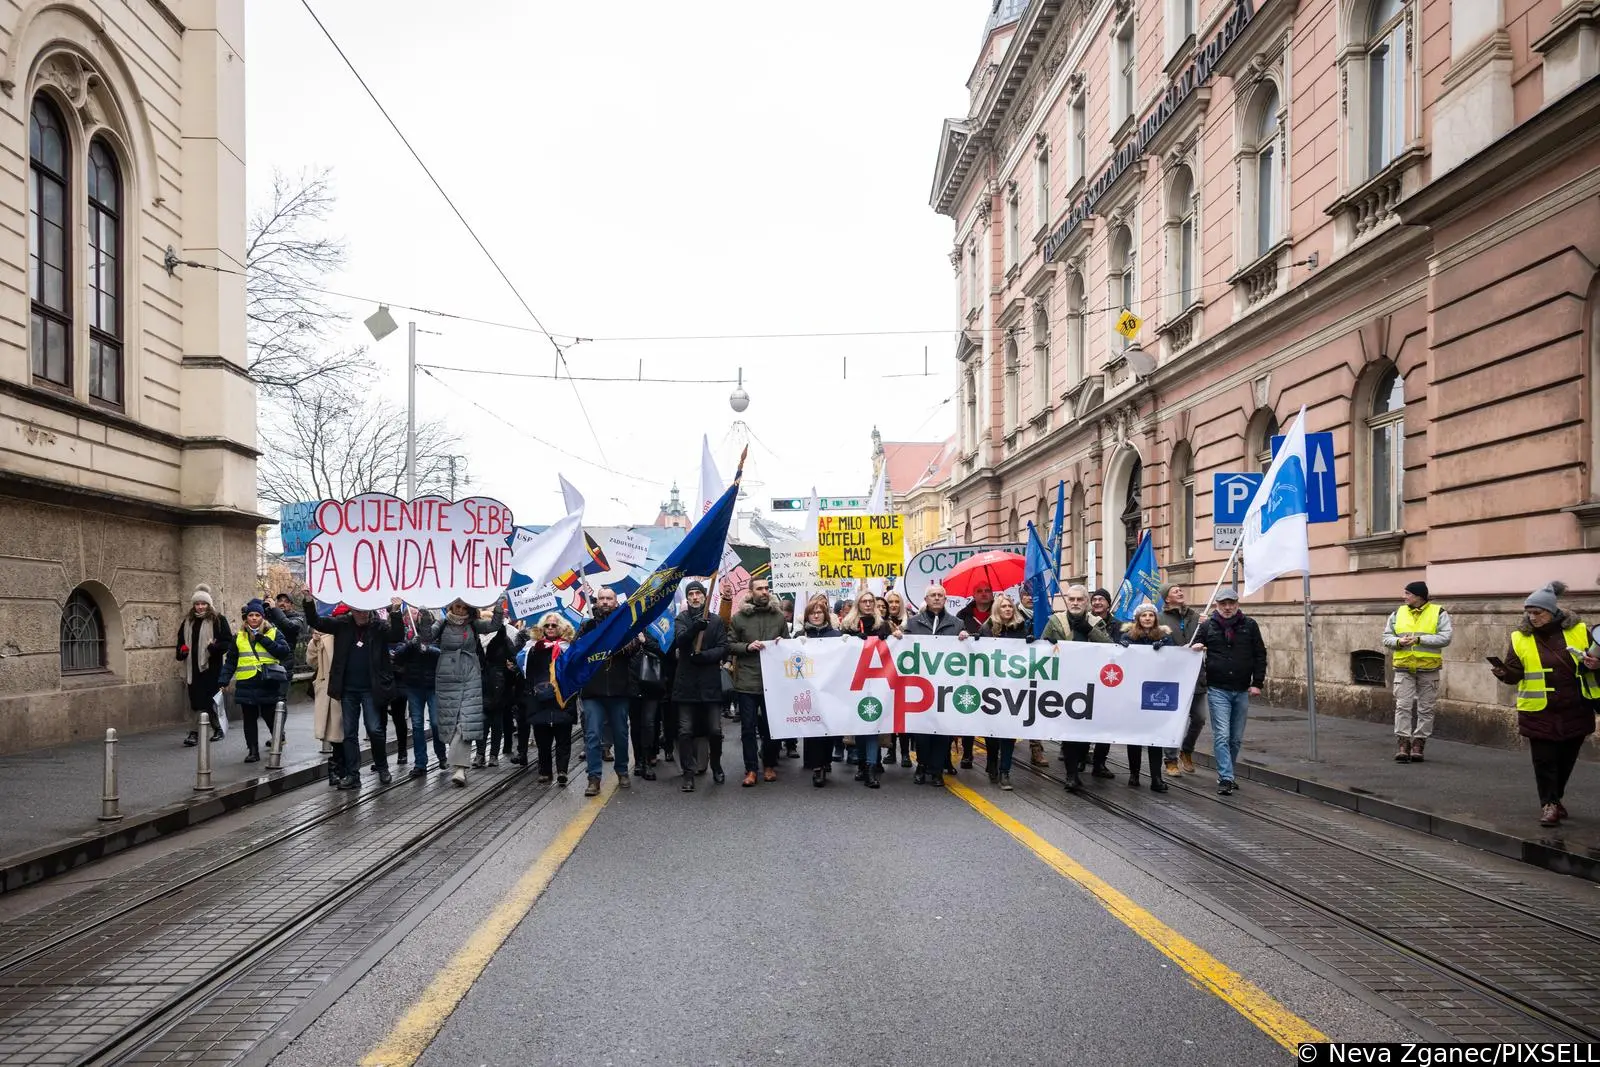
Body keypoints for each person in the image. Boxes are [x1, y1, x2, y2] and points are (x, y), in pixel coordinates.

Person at [1489, 581, 1598, 827]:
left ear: (1552, 611)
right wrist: (1503, 672)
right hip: (1539, 710)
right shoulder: (1519, 637)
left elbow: (1595, 658)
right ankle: (1548, 805)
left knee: (1566, 760)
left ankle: (1556, 798)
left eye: (1538, 612)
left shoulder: (1579, 630)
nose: (1532, 617)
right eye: (1529, 612)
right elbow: (1515, 672)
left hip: (1575, 707)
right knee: (1544, 760)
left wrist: (1595, 663)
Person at [305, 596, 404, 787]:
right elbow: (316, 621)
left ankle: (382, 767)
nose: (362, 613)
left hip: (370, 689)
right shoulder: (342, 625)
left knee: (375, 729)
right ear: (352, 609)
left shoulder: (379, 627)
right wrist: (308, 602)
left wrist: (396, 611)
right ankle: (352, 775)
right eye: (358, 610)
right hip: (348, 689)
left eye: (365, 610)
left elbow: (397, 635)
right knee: (349, 733)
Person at [1189, 587, 1266, 796]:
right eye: (1223, 604)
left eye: (1231, 603)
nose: (1228, 607)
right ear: (1217, 606)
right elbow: (1193, 645)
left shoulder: (1249, 625)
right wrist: (1196, 646)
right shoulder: (1207, 626)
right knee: (1222, 735)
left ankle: (1228, 772)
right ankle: (1226, 778)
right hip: (1217, 689)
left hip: (1241, 689)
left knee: (1235, 739)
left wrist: (1257, 682)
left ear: (1237, 604)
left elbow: (1260, 654)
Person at [425, 597, 503, 786]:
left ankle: (460, 768)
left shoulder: (474, 624)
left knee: (467, 720)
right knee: (448, 719)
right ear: (451, 606)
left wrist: (499, 607)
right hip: (447, 677)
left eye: (464, 607)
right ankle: (457, 761)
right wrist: (423, 619)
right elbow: (426, 637)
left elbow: (494, 625)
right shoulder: (441, 623)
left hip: (470, 675)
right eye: (457, 607)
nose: (460, 610)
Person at [1042, 585, 1113, 792]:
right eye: (1071, 599)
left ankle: (1079, 762)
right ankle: (1071, 775)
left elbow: (1110, 646)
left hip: (1090, 685)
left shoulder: (1095, 622)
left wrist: (1088, 629)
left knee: (1084, 734)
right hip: (1064, 685)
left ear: (1086, 602)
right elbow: (1042, 645)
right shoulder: (1055, 621)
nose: (1075, 603)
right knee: (1070, 732)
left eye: (1079, 600)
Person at [576, 588, 640, 796]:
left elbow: (633, 648)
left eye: (609, 599)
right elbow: (576, 652)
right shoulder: (588, 625)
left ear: (615, 602)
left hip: (619, 689)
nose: (604, 602)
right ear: (596, 602)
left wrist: (611, 645)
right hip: (593, 690)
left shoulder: (624, 624)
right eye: (601, 598)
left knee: (621, 733)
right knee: (593, 735)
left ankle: (622, 770)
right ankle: (593, 777)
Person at [902, 583, 967, 786]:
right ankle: (922, 766)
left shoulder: (957, 624)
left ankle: (937, 771)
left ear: (945, 600)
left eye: (940, 595)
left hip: (946, 688)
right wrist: (898, 638)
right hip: (921, 687)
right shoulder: (913, 624)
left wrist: (965, 639)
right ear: (927, 600)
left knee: (942, 732)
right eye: (933, 595)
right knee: (922, 732)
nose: (937, 598)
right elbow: (903, 651)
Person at [1383, 581, 1453, 763]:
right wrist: (1399, 642)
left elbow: (1445, 638)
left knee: (1426, 709)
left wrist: (1419, 640)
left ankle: (1419, 743)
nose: (1404, 597)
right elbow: (1386, 637)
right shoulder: (1398, 612)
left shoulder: (1439, 612)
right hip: (1404, 667)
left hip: (1428, 668)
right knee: (1402, 706)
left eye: (1407, 593)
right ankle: (1403, 743)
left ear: (1419, 596)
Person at [727, 577, 788, 787]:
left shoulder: (778, 617)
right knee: (748, 728)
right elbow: (729, 644)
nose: (764, 592)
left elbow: (789, 646)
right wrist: (746, 647)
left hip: (772, 682)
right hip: (747, 682)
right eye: (759, 588)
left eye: (766, 588)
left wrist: (782, 644)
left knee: (771, 727)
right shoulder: (739, 618)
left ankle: (769, 765)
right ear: (750, 591)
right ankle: (751, 769)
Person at [217, 599, 293, 765]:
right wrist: (223, 680)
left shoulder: (273, 632)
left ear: (262, 617)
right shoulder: (238, 637)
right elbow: (231, 661)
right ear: (246, 618)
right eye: (250, 615)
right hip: (247, 683)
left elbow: (283, 652)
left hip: (267, 681)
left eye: (257, 615)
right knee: (249, 718)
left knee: (269, 715)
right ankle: (252, 750)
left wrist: (262, 639)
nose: (253, 618)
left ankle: (278, 737)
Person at [672, 580, 727, 792]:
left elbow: (723, 647)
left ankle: (716, 765)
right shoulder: (682, 619)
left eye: (698, 593)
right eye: (691, 594)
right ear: (687, 598)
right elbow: (680, 641)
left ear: (705, 596)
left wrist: (704, 656)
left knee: (714, 730)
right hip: (686, 685)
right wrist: (695, 627)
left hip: (710, 684)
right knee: (685, 731)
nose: (695, 597)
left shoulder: (716, 621)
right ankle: (688, 773)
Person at [1117, 603, 1171, 792]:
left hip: (1156, 692)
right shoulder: (1128, 637)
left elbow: (1175, 659)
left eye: (1151, 615)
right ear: (1138, 619)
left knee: (1155, 737)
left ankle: (1156, 777)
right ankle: (1134, 774)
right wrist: (1122, 648)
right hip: (1133, 692)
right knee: (1135, 736)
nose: (1147, 618)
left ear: (1155, 618)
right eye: (1143, 615)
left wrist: (1165, 647)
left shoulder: (1165, 638)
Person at [978, 593, 1029, 791]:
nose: (1008, 609)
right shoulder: (987, 628)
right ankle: (992, 762)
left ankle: (1005, 771)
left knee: (1008, 732)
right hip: (992, 688)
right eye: (1003, 606)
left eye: (1010, 606)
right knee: (992, 731)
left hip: (1014, 689)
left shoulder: (1021, 628)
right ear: (997, 610)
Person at [519, 613, 576, 785]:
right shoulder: (532, 648)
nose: (550, 628)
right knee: (542, 739)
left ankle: (562, 771)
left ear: (561, 627)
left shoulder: (569, 647)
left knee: (563, 738)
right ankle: (544, 771)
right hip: (539, 698)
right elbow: (524, 669)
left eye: (554, 625)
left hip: (562, 698)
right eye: (547, 625)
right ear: (542, 628)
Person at [841, 590, 891, 788]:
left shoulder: (882, 624)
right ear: (858, 604)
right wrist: (851, 640)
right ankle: (863, 764)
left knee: (871, 724)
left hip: (877, 681)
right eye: (864, 601)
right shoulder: (848, 625)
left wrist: (892, 637)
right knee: (859, 726)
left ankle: (870, 768)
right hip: (855, 681)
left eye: (871, 601)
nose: (868, 604)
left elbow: (896, 642)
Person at [1158, 583, 1207, 776]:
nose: (1179, 591)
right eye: (1174, 590)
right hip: (1172, 677)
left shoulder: (1196, 617)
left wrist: (1208, 624)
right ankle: (1170, 759)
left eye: (1180, 589)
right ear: (1167, 598)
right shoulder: (1160, 619)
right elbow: (1157, 645)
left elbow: (1208, 638)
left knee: (1199, 718)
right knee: (1174, 719)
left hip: (1196, 676)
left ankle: (1186, 750)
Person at [796, 596, 843, 787]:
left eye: (819, 612)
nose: (816, 616)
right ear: (807, 616)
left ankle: (825, 761)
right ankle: (817, 767)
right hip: (809, 689)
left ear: (825, 615)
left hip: (830, 689)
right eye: (812, 613)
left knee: (828, 729)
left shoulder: (836, 635)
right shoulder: (800, 636)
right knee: (814, 729)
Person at [176, 585, 230, 748]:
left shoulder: (218, 620)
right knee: (195, 701)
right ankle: (195, 733)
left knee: (210, 700)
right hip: (193, 668)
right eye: (197, 604)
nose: (200, 607)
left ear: (209, 604)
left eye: (203, 603)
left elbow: (227, 642)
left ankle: (217, 728)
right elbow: (180, 643)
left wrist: (214, 648)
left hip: (211, 668)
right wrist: (182, 652)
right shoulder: (188, 621)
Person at [394, 613, 442, 777]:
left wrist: (429, 649)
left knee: (435, 723)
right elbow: (398, 656)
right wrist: (411, 645)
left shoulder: (436, 632)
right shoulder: (408, 633)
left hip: (433, 686)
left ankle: (441, 752)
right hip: (414, 686)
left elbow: (443, 653)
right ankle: (420, 763)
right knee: (417, 725)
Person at [480, 610, 519, 768]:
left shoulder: (503, 638)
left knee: (497, 719)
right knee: (481, 720)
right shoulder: (476, 638)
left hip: (499, 682)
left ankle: (494, 755)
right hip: (481, 680)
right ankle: (480, 754)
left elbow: (514, 655)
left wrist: (510, 667)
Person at [306, 624, 343, 785]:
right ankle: (336, 767)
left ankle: (343, 767)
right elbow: (312, 662)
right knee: (335, 732)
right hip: (330, 688)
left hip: (348, 687)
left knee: (345, 731)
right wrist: (314, 643)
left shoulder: (352, 634)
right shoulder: (324, 636)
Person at [883, 590, 914, 768]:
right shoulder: (882, 623)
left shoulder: (909, 623)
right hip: (888, 673)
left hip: (905, 673)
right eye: (891, 602)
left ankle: (905, 754)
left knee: (903, 715)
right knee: (889, 713)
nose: (894, 605)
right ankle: (890, 750)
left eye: (897, 602)